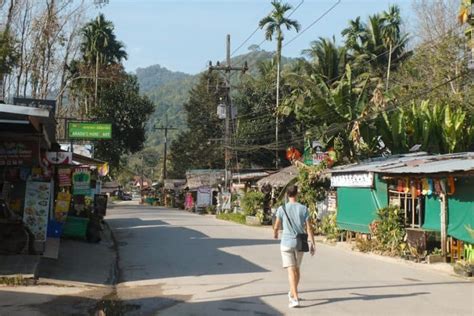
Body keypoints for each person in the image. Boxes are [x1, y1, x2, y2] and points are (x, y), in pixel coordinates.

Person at [273, 185, 315, 308]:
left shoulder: (281, 209)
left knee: (291, 271)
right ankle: (293, 292)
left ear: (287, 194)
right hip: (300, 243)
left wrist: (275, 233)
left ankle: (294, 298)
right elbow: (309, 227)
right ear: (297, 194)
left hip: (286, 243)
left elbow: (276, 225)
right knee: (297, 270)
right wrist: (312, 243)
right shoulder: (303, 208)